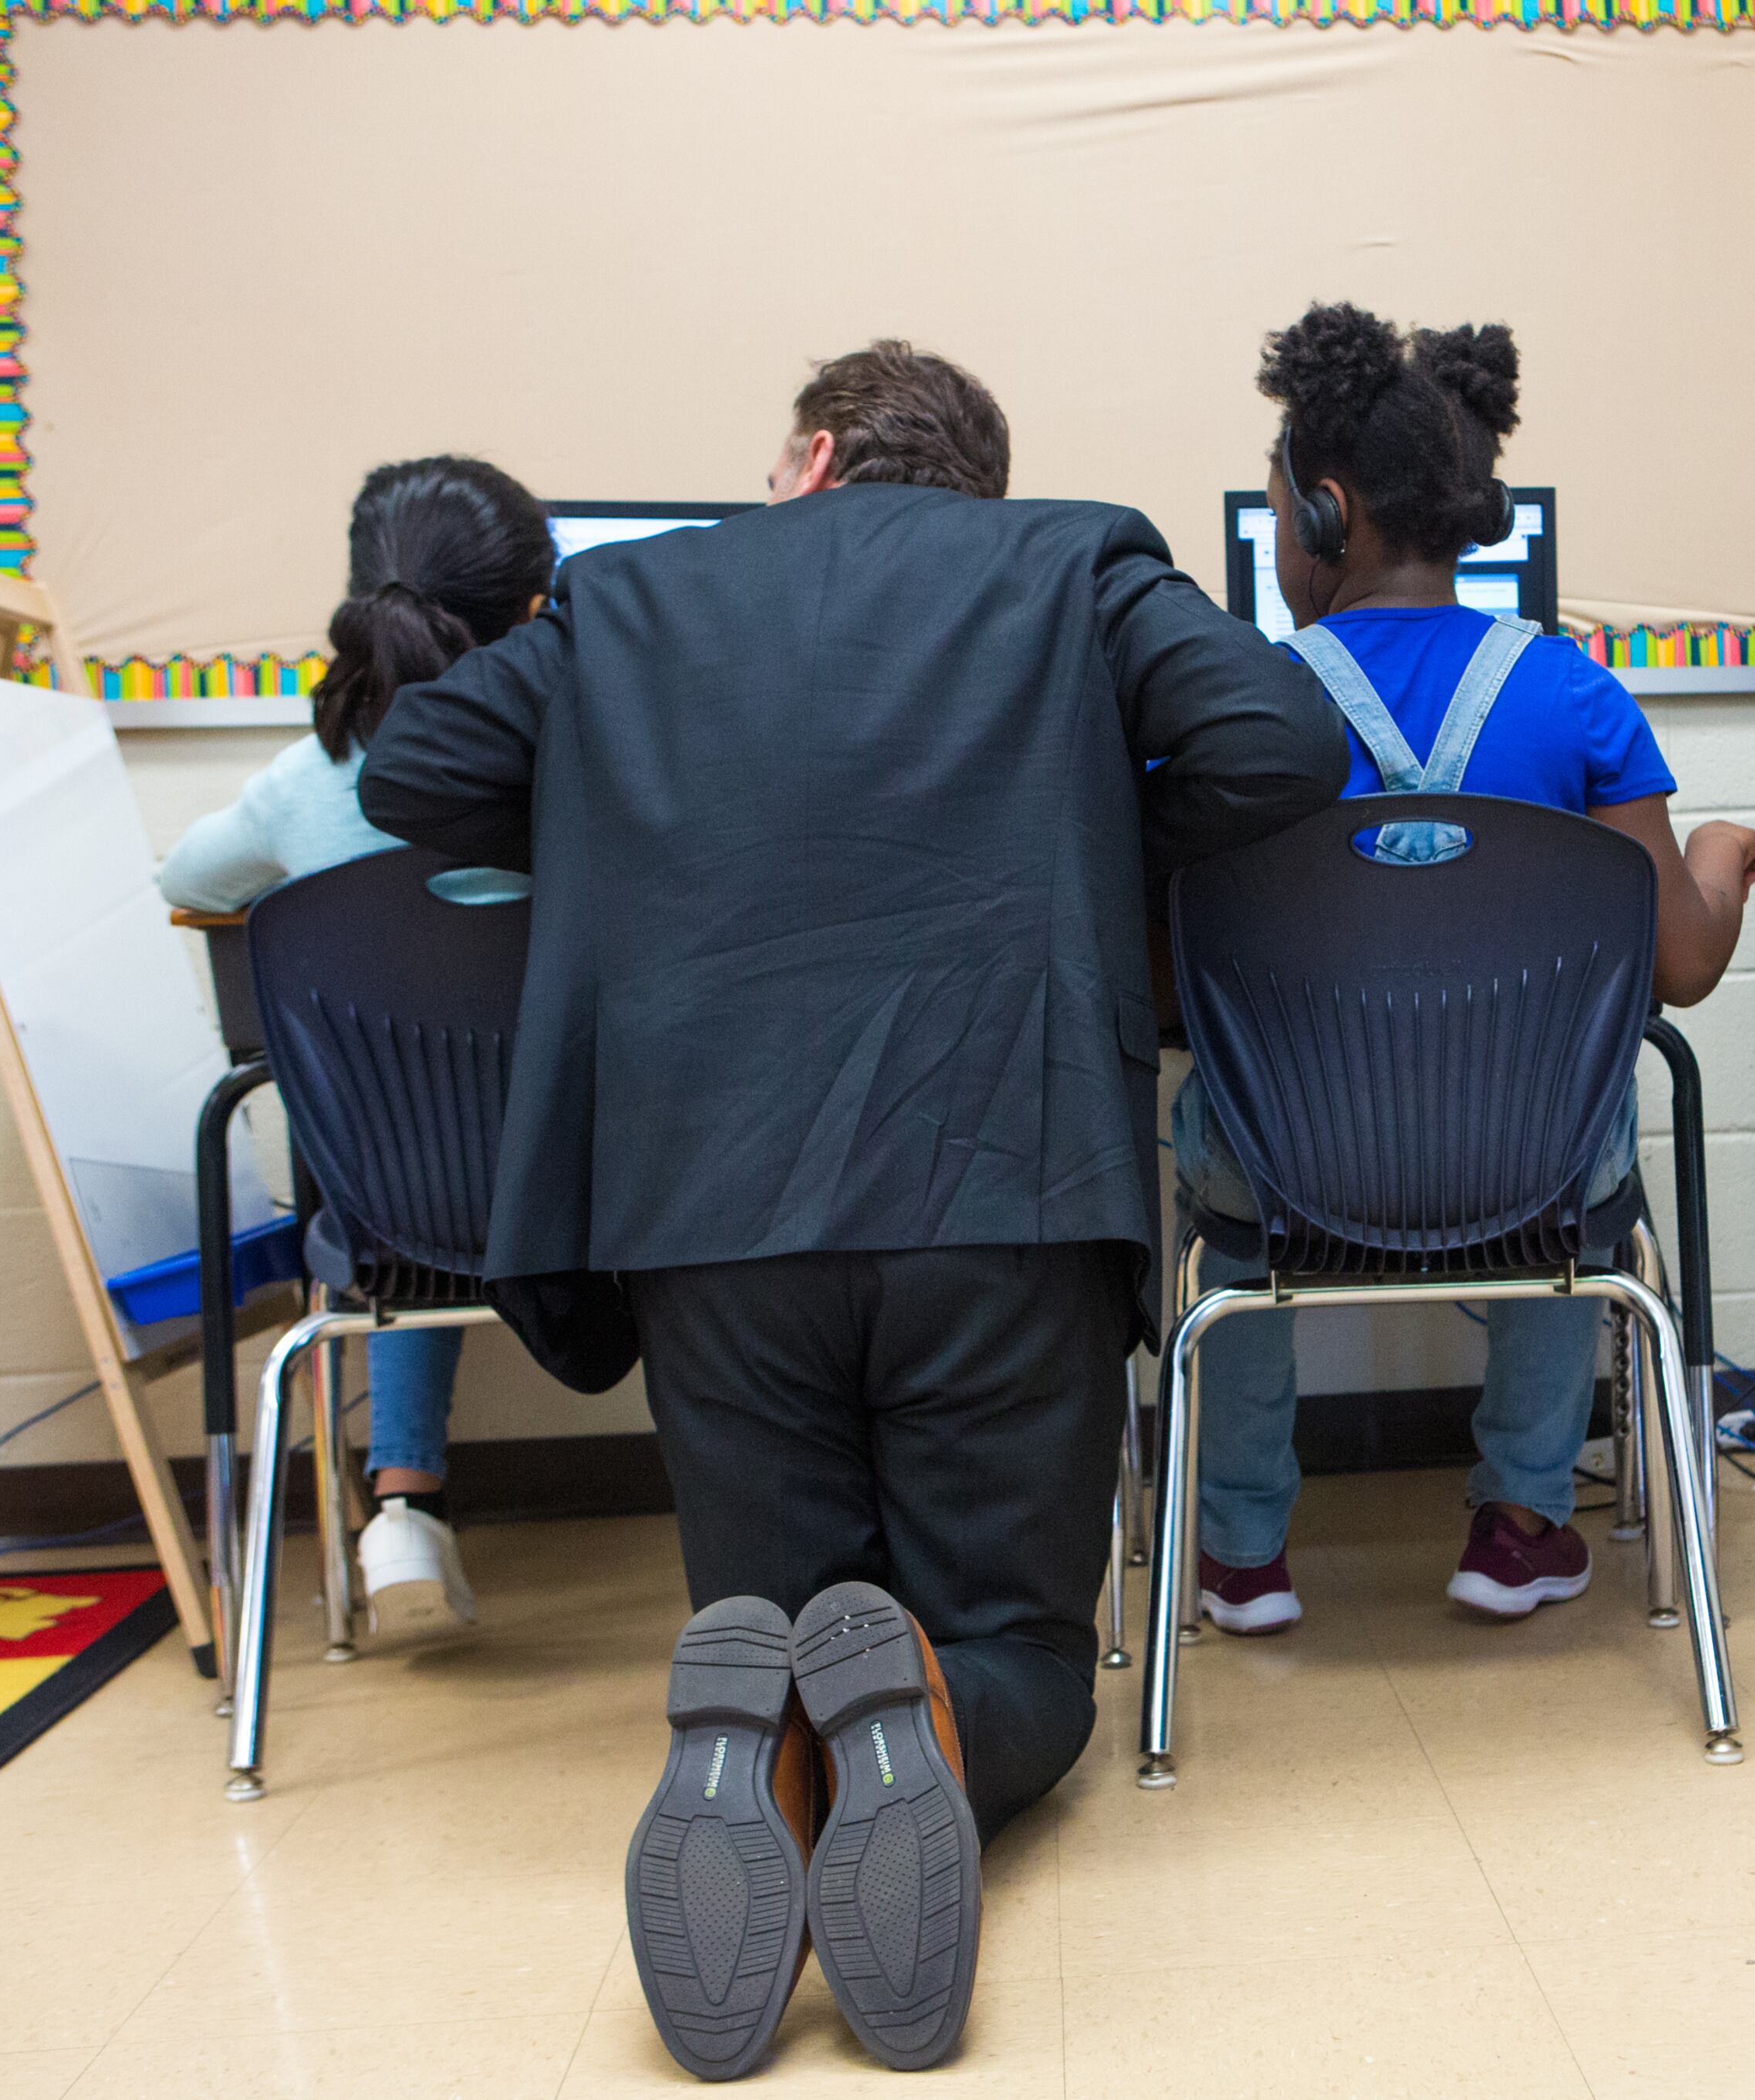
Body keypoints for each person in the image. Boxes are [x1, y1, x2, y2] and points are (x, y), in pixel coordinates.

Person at [356, 341, 1344, 2076]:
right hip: (1007, 1180)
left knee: (765, 1619)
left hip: (706, 1209)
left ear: (811, 457)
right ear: (971, 482)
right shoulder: (1074, 561)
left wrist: (625, 804)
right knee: (1023, 1639)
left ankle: (774, 1747)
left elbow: (411, 773)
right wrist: (1098, 825)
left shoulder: (629, 602)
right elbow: (1276, 743)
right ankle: (927, 1724)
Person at [1177, 302, 1755, 1637]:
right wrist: (1729, 858)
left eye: (1280, 515)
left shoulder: (1239, 699)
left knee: (1218, 1185)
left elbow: (1177, 983)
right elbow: (1679, 967)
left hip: (1288, 1185)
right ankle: (1517, 1524)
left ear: (1328, 515)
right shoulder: (1576, 695)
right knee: (1589, 1127)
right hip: (1531, 1186)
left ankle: (1240, 1558)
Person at [159, 453, 551, 1638]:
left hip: (395, 1221)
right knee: (502, 1107)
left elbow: (184, 879)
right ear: (535, 610)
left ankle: (402, 1501)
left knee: (402, 1134)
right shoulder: (586, 755)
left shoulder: (307, 778)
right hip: (599, 1202)